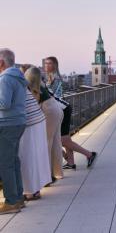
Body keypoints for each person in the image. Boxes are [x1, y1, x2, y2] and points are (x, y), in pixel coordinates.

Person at [44, 57, 97, 170]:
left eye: (49, 63)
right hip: (61, 108)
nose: (46, 66)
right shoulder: (49, 78)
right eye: (45, 63)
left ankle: (89, 154)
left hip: (62, 109)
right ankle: (71, 162)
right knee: (66, 139)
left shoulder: (56, 79)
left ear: (55, 65)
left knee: (63, 140)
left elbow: (54, 96)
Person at [0, 49, 27, 214]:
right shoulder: (18, 77)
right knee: (14, 161)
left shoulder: (5, 79)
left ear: (1, 62)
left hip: (7, 124)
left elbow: (4, 103)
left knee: (5, 163)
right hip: (18, 122)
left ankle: (10, 202)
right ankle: (18, 198)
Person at [19, 66, 51, 201]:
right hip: (38, 120)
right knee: (37, 156)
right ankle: (36, 190)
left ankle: (30, 191)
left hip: (30, 123)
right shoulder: (22, 83)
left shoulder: (10, 81)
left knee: (26, 157)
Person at [30, 66, 64, 182]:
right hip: (56, 109)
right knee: (55, 143)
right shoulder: (40, 84)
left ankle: (46, 177)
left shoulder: (32, 87)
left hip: (49, 111)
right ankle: (56, 173)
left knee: (45, 144)